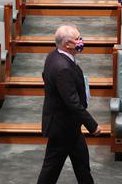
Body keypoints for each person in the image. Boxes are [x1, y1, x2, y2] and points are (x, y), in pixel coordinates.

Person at [37, 25, 100, 184]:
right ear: (67, 44)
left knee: (82, 166)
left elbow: (46, 77)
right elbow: (73, 102)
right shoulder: (62, 67)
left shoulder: (53, 56)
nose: (81, 41)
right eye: (78, 39)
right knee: (50, 170)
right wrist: (92, 125)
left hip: (69, 125)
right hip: (62, 127)